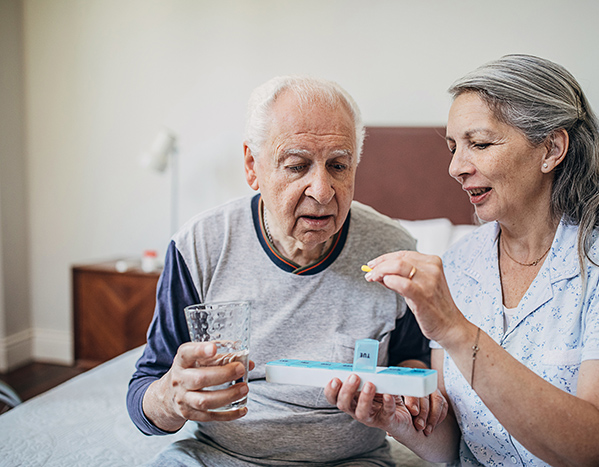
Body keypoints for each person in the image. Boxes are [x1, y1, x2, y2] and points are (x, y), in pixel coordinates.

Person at [326, 54, 599, 466]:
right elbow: (458, 447)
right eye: (453, 147)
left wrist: (455, 330)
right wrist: (395, 420)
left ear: (551, 148)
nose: (455, 167)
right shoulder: (461, 262)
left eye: (479, 144)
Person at [127, 76, 447, 466]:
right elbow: (144, 393)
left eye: (338, 166)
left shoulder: (393, 249)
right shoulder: (199, 246)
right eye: (297, 166)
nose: (323, 190)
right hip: (219, 455)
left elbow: (410, 360)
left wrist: (411, 393)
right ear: (252, 166)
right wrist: (171, 398)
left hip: (349, 460)